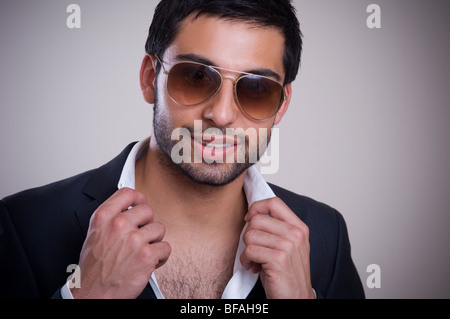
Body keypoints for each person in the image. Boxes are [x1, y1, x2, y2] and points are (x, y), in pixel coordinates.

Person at [0, 0, 365, 299]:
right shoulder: (24, 225)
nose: (221, 115)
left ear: (281, 105)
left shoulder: (324, 236)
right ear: (149, 79)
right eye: (195, 77)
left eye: (256, 89)